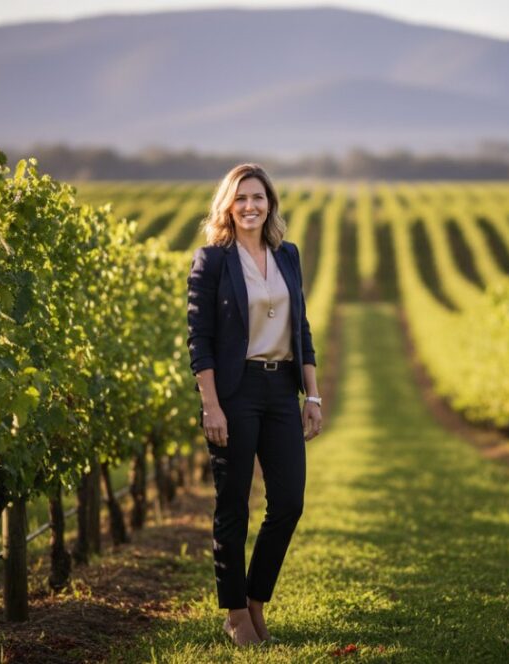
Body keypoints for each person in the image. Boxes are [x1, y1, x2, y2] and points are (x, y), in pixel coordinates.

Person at [186, 163, 323, 647]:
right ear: (228, 205)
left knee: (288, 502)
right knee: (233, 506)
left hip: (282, 390)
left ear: (270, 205)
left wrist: (313, 395)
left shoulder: (288, 255)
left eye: (258, 198)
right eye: (241, 198)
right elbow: (199, 339)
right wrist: (212, 405)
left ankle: (256, 597)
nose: (250, 206)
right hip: (235, 393)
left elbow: (301, 328)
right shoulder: (212, 261)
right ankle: (235, 613)